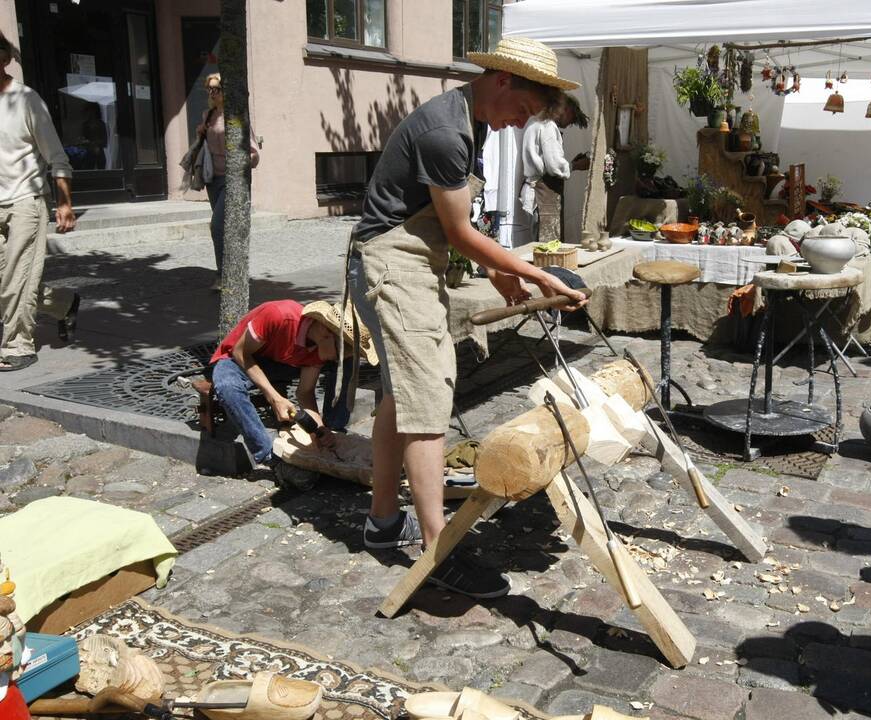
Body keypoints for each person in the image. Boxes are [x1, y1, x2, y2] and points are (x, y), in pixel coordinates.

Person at [346, 37, 587, 599]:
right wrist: (538, 275)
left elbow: (451, 230)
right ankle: (440, 549)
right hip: (390, 261)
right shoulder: (445, 132)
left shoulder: (471, 121)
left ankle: (383, 525)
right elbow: (459, 231)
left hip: (412, 259)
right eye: (521, 112)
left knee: (400, 395)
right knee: (427, 400)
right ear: (503, 80)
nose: (515, 125)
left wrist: (505, 275)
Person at [208, 299, 365, 480]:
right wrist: (274, 398)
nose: (336, 359)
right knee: (227, 386)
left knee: (348, 364)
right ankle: (271, 457)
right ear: (326, 333)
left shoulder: (320, 347)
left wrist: (319, 430)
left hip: (283, 363)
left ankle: (334, 430)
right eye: (339, 353)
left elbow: (304, 392)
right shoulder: (279, 315)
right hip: (240, 357)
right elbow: (240, 352)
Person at [0, 32, 80, 372]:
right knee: (9, 280)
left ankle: (18, 345)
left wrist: (64, 203)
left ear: (3, 59)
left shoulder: (27, 100)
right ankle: (64, 303)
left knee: (15, 278)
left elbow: (56, 156)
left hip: (26, 200)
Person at [196, 73, 260, 289]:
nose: (213, 93)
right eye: (210, 89)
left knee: (217, 226)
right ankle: (232, 271)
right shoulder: (208, 115)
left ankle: (223, 275)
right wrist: (200, 134)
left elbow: (253, 153)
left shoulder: (237, 117)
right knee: (225, 228)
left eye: (217, 89)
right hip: (212, 179)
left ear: (226, 91)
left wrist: (241, 165)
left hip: (233, 180)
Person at [521, 93, 590, 244]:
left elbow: (549, 162)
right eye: (571, 117)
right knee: (547, 247)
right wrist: (575, 165)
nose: (570, 122)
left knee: (543, 245)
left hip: (538, 191)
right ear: (565, 109)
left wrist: (570, 164)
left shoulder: (536, 122)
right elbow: (555, 167)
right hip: (541, 193)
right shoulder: (548, 127)